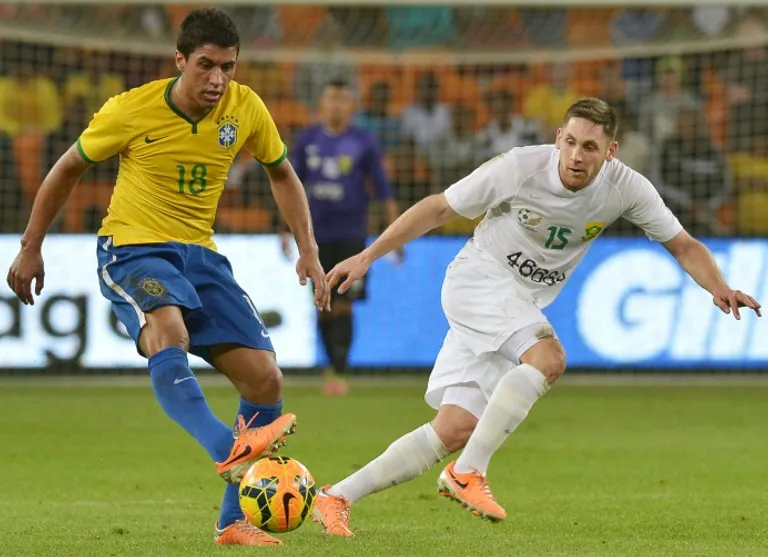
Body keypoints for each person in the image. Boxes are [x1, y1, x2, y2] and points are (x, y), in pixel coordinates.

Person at [311, 97, 762, 536]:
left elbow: (683, 244)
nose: (576, 155)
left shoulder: (627, 188)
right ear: (558, 137)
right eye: (571, 142)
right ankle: (468, 472)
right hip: (478, 279)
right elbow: (440, 207)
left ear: (610, 151)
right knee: (548, 358)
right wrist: (368, 256)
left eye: (590, 147)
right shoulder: (519, 166)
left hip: (518, 302)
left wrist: (719, 287)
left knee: (454, 428)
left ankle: (336, 496)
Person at [6, 8, 329, 547]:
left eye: (227, 67)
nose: (217, 79)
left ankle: (233, 522)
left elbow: (282, 174)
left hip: (200, 255)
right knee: (168, 331)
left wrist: (308, 249)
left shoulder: (245, 107)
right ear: (180, 60)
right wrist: (30, 245)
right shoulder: (130, 109)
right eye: (206, 65)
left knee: (265, 380)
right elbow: (67, 167)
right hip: (133, 246)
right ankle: (227, 449)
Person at [283, 79, 400, 396]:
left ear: (352, 106)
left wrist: (395, 234)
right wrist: (284, 229)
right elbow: (289, 186)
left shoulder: (364, 142)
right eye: (331, 98)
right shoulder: (307, 140)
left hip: (351, 235)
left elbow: (382, 189)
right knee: (324, 301)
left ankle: (339, 368)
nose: (336, 105)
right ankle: (332, 366)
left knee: (345, 302)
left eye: (342, 99)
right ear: (321, 105)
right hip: (315, 238)